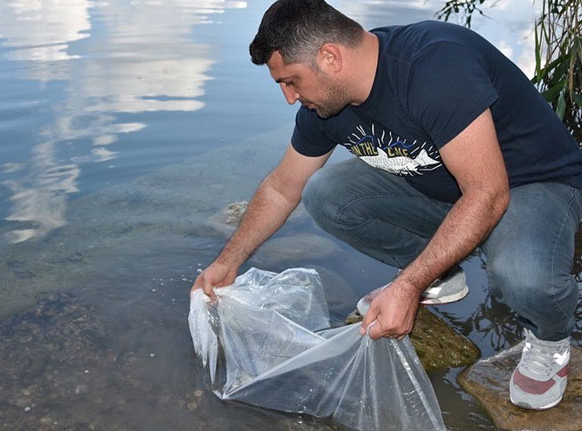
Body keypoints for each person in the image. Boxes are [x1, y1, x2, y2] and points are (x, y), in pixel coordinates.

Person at [191, 0, 582, 411]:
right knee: (325, 193)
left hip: (532, 183)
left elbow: (488, 194)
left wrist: (406, 286)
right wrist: (228, 261)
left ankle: (549, 339)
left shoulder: (434, 66)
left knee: (521, 276)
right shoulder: (323, 108)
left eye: (291, 81)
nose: (290, 98)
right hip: (445, 189)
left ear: (330, 57)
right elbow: (281, 189)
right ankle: (440, 272)